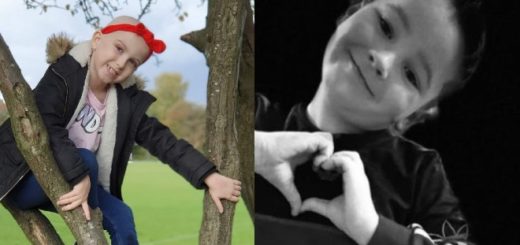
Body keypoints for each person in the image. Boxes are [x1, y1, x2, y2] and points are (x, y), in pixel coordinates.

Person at [255, 0, 486, 244]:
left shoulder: (419, 177)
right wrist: (253, 149)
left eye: (411, 75)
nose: (383, 61)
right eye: (386, 26)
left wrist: (374, 229)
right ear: (353, 10)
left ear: (419, 112)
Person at [0, 16, 241, 244]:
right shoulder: (63, 74)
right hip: (25, 177)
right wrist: (79, 176)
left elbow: (163, 141)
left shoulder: (126, 102)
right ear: (97, 40)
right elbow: (47, 126)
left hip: (81, 183)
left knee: (122, 217)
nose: (121, 63)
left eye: (132, 62)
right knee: (86, 159)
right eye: (119, 48)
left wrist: (209, 175)